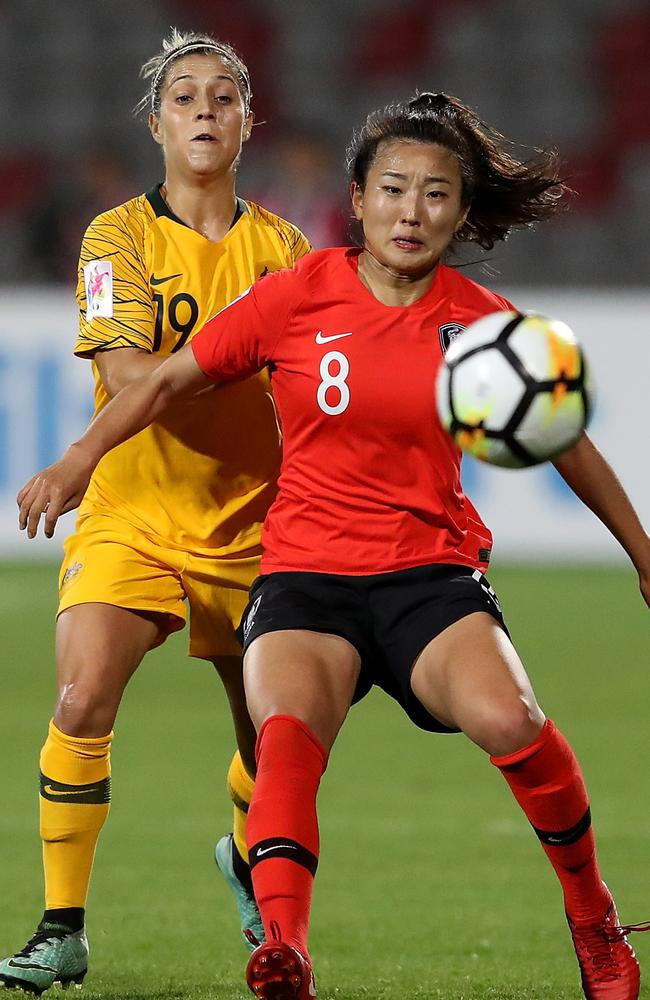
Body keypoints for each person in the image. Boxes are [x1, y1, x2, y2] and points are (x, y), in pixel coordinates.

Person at [15, 93, 650, 1000]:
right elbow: (165, 385)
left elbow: (571, 443)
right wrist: (82, 455)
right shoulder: (296, 295)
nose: (412, 210)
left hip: (429, 573)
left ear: (462, 213)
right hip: (307, 574)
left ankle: (594, 921)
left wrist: (641, 548)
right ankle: (284, 950)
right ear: (357, 200)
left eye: (436, 194)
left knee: (512, 719)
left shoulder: (484, 326)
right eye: (393, 188)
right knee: (286, 740)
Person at [0, 28, 312, 996]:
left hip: (252, 522)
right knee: (82, 695)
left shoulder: (287, 252)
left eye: (224, 97)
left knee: (271, 735)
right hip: (132, 509)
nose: (206, 111)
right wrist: (238, 364)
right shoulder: (114, 239)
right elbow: (126, 373)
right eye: (186, 97)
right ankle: (61, 926)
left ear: (249, 121)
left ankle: (241, 853)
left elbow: (305, 391)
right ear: (156, 124)